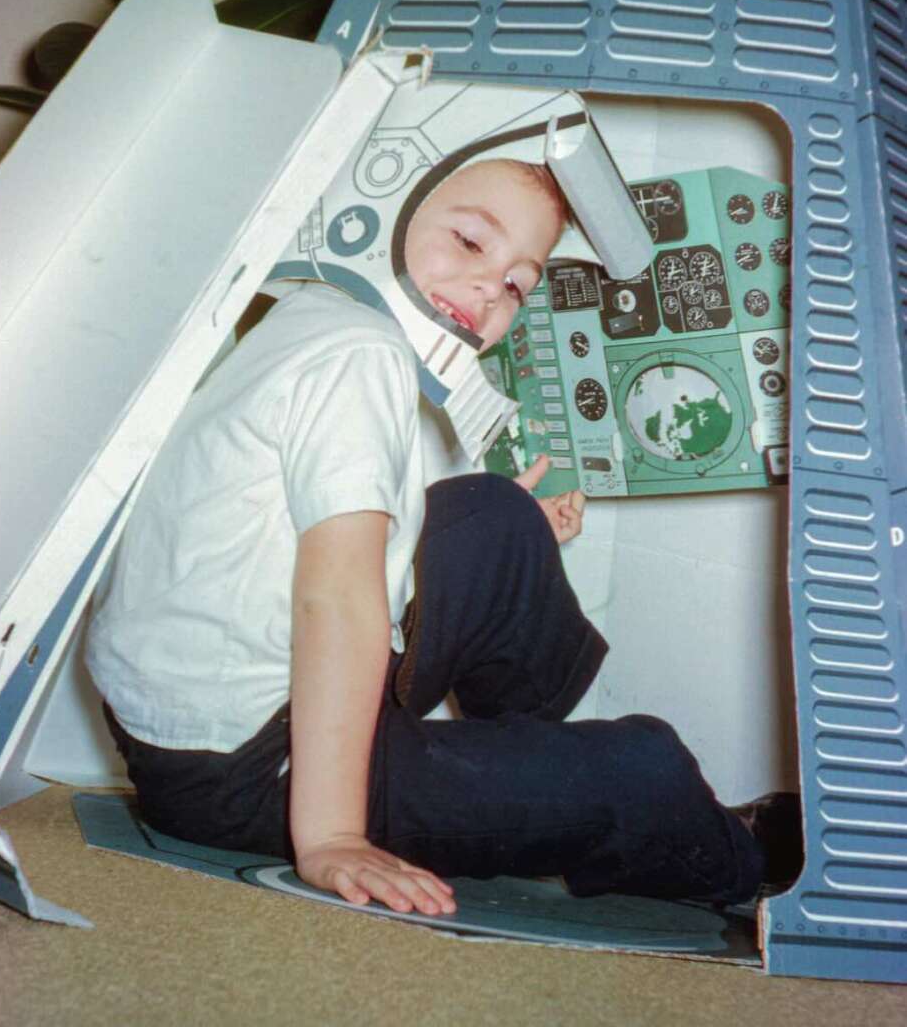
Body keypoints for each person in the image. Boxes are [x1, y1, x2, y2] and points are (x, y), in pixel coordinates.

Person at [87, 157, 800, 917]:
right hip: (246, 769)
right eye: (468, 242)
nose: (494, 288)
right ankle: (725, 850)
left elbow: (307, 537)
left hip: (198, 712)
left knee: (498, 513)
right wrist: (331, 837)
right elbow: (337, 601)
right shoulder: (363, 356)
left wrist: (520, 526)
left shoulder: (316, 316)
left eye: (520, 282)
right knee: (642, 766)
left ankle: (512, 776)